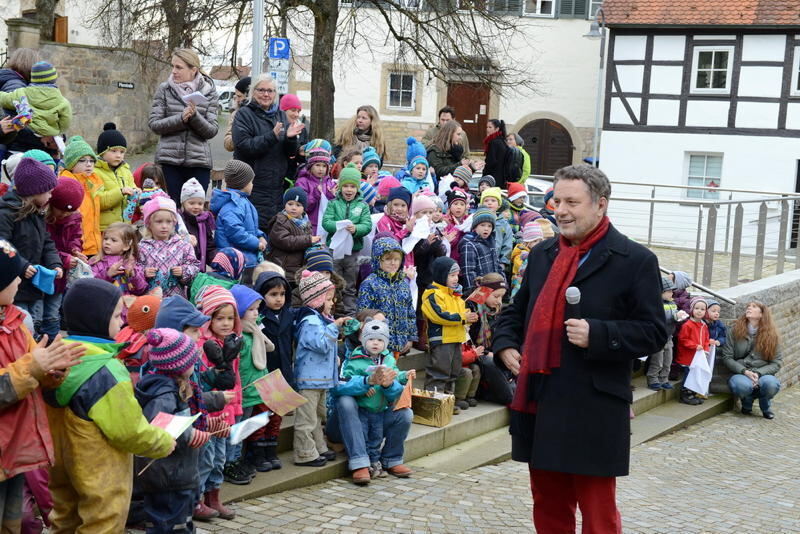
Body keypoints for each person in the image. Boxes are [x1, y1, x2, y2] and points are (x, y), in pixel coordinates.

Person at [491, 164, 667, 533]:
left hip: (595, 406)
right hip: (542, 398)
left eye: (573, 202)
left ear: (600, 205)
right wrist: (505, 344)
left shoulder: (635, 261)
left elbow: (653, 332)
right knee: (548, 504)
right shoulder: (543, 255)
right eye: (556, 201)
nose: (561, 210)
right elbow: (516, 311)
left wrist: (599, 334)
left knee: (598, 511)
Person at [47, 278, 176, 533]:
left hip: (59, 463)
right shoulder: (106, 371)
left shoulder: (56, 357)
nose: (122, 322)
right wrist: (162, 442)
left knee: (65, 519)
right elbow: (128, 430)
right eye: (118, 315)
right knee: (103, 520)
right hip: (99, 469)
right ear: (97, 319)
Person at [0, 240, 84, 534]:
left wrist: (52, 370)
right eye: (13, 276)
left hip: (15, 451)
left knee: (13, 524)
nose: (20, 280)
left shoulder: (15, 321)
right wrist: (33, 367)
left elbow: (35, 365)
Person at [134, 328, 211, 534]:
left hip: (177, 472)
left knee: (181, 523)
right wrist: (191, 434)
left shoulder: (172, 386)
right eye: (191, 362)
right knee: (169, 526)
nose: (194, 366)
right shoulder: (164, 394)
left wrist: (206, 426)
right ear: (178, 365)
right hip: (167, 475)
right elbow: (159, 428)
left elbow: (181, 420)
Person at [335, 319, 415, 482]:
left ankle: (391, 459)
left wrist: (390, 384)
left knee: (405, 414)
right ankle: (360, 463)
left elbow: (396, 390)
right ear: (363, 340)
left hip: (380, 410)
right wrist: (366, 382)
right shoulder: (353, 358)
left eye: (380, 340)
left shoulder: (389, 360)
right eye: (371, 339)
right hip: (359, 410)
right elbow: (340, 385)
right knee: (346, 402)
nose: (375, 343)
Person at [149, 48, 219, 204]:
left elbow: (212, 130)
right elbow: (154, 124)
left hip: (199, 162)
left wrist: (194, 117)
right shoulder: (165, 89)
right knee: (170, 210)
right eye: (173, 66)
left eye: (179, 67)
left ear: (193, 69)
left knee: (195, 213)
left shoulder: (209, 92)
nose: (174, 71)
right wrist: (180, 118)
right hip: (169, 162)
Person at [232, 75, 304, 227]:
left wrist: (291, 139)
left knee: (273, 231)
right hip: (252, 185)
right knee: (253, 229)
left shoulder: (280, 115)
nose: (266, 94)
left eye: (270, 91)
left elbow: (289, 153)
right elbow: (245, 146)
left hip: (276, 186)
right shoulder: (244, 114)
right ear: (253, 92)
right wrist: (272, 136)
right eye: (262, 90)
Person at [0, 158, 62, 337]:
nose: (51, 196)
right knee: (19, 328)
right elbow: (2, 245)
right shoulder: (7, 213)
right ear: (35, 191)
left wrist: (54, 264)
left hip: (35, 286)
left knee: (35, 325)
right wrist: (21, 265)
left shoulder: (36, 212)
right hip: (13, 287)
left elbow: (47, 243)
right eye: (48, 192)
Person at [293, 271, 347, 466]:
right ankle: (304, 453)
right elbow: (321, 345)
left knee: (317, 416)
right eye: (329, 299)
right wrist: (335, 327)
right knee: (306, 418)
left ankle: (318, 446)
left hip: (320, 378)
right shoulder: (310, 321)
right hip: (309, 379)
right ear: (317, 300)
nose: (332, 303)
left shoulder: (321, 319)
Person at [229, 285, 277, 472]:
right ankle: (231, 462)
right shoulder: (239, 336)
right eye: (251, 309)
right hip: (243, 390)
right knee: (239, 427)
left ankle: (239, 459)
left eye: (257, 308)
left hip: (256, 388)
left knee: (247, 425)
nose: (256, 313)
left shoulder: (255, 331)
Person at [421, 257, 477, 411]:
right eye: (452, 275)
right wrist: (462, 318)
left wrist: (468, 317)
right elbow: (439, 315)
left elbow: (460, 315)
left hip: (456, 338)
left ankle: (446, 403)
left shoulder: (455, 294)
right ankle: (432, 405)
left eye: (457, 275)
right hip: (442, 339)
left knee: (453, 373)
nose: (456, 278)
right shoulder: (432, 293)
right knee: (439, 372)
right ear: (441, 274)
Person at [321, 164, 373, 316]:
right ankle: (334, 314)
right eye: (345, 186)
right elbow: (326, 222)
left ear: (357, 188)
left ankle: (349, 316)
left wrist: (356, 229)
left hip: (353, 252)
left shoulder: (362, 206)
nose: (349, 190)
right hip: (334, 251)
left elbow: (367, 225)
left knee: (350, 286)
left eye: (352, 186)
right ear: (340, 187)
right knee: (333, 284)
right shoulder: (333, 204)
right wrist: (338, 226)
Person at [357, 236, 417, 355]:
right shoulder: (370, 284)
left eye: (397, 259)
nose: (393, 263)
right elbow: (363, 314)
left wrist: (410, 338)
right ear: (378, 259)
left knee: (393, 372)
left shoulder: (403, 284)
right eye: (388, 259)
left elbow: (410, 313)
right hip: (377, 344)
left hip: (400, 343)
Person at [722, 301, 782, 420]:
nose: (749, 308)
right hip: (741, 372)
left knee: (771, 385)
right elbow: (727, 357)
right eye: (748, 306)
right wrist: (745, 371)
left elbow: (776, 362)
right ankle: (747, 401)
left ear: (761, 314)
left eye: (754, 307)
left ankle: (765, 405)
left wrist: (758, 373)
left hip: (763, 373)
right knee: (742, 386)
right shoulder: (734, 330)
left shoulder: (772, 335)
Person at [139, 196, 201, 298]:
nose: (164, 226)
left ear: (174, 223)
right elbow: (133, 269)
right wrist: (143, 272)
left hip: (176, 299)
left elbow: (194, 267)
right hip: (150, 301)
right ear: (149, 224)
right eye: (159, 222)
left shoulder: (183, 246)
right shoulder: (142, 247)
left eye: (168, 222)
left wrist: (183, 271)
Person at [211, 160, 266, 271]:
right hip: (234, 262)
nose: (252, 185)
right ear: (243, 184)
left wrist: (260, 235)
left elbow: (250, 227)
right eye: (251, 182)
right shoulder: (233, 205)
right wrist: (256, 243)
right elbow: (235, 231)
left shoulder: (242, 201)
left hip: (245, 258)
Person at [0, 61, 72, 137]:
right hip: (49, 137)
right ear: (54, 79)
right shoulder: (63, 102)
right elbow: (65, 123)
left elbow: (4, 99)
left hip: (25, 136)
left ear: (33, 78)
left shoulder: (21, 93)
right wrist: (58, 131)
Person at [59, 136, 103, 256]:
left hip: (95, 247)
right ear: (71, 163)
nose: (89, 164)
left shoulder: (94, 183)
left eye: (92, 160)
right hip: (76, 250)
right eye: (82, 160)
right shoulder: (66, 186)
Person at [265, 187, 320, 282]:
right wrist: (308, 240)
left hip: (297, 269)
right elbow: (284, 240)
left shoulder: (306, 222)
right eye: (290, 204)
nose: (293, 208)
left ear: (304, 208)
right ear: (284, 205)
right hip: (282, 267)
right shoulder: (281, 220)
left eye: (298, 205)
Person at [646, 277, 688, 391]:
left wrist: (679, 316)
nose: (672, 293)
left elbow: (674, 315)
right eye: (669, 291)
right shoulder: (656, 304)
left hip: (669, 337)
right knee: (657, 361)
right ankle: (653, 379)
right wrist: (674, 316)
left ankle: (664, 379)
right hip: (658, 337)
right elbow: (659, 318)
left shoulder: (673, 303)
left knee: (667, 361)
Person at [95, 122, 137, 230]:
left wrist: (137, 194)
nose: (118, 155)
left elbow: (132, 189)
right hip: (105, 229)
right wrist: (120, 192)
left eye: (122, 152)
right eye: (113, 151)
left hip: (124, 227)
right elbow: (98, 200)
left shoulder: (126, 170)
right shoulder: (95, 172)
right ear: (102, 152)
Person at [90, 222, 149, 295]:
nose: (107, 242)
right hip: (104, 303)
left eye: (113, 240)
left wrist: (133, 275)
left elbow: (141, 290)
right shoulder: (96, 262)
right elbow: (90, 285)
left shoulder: (132, 263)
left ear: (126, 246)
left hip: (125, 304)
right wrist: (107, 274)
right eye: (105, 239)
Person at [675, 296, 710, 405]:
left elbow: (706, 339)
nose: (699, 311)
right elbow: (683, 339)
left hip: (698, 356)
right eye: (697, 308)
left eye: (702, 309)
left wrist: (706, 349)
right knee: (688, 374)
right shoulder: (687, 325)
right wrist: (694, 346)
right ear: (692, 310)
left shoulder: (704, 325)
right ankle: (685, 394)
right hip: (688, 356)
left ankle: (693, 392)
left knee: (695, 374)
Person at [458, 207, 500, 295]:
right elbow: (468, 271)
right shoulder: (469, 244)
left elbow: (497, 264)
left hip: (492, 286)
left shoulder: (491, 241)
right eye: (482, 225)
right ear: (475, 227)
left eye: (489, 226)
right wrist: (473, 291)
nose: (486, 228)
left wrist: (502, 283)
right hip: (479, 290)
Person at [293, 145, 335, 230]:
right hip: (308, 225)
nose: (321, 169)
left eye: (324, 166)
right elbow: (303, 207)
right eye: (317, 165)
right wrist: (316, 194)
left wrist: (332, 195)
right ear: (310, 166)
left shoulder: (329, 182)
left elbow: (333, 207)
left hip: (326, 226)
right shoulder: (302, 182)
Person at [180, 177, 216, 269]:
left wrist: (216, 261)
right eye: (191, 203)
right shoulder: (180, 222)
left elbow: (209, 247)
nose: (196, 207)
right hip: (182, 269)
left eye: (200, 204)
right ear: (183, 203)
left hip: (200, 268)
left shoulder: (204, 221)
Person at [223, 76, 251, 153]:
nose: (237, 100)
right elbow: (227, 144)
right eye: (236, 96)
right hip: (241, 160)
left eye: (239, 96)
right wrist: (239, 136)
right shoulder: (236, 114)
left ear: (249, 96)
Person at [483, 119, 511, 189]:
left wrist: (484, 174)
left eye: (490, 127)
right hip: (501, 179)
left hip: (493, 179)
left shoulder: (493, 142)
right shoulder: (502, 141)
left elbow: (491, 162)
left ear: (497, 129)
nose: (487, 129)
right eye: (487, 127)